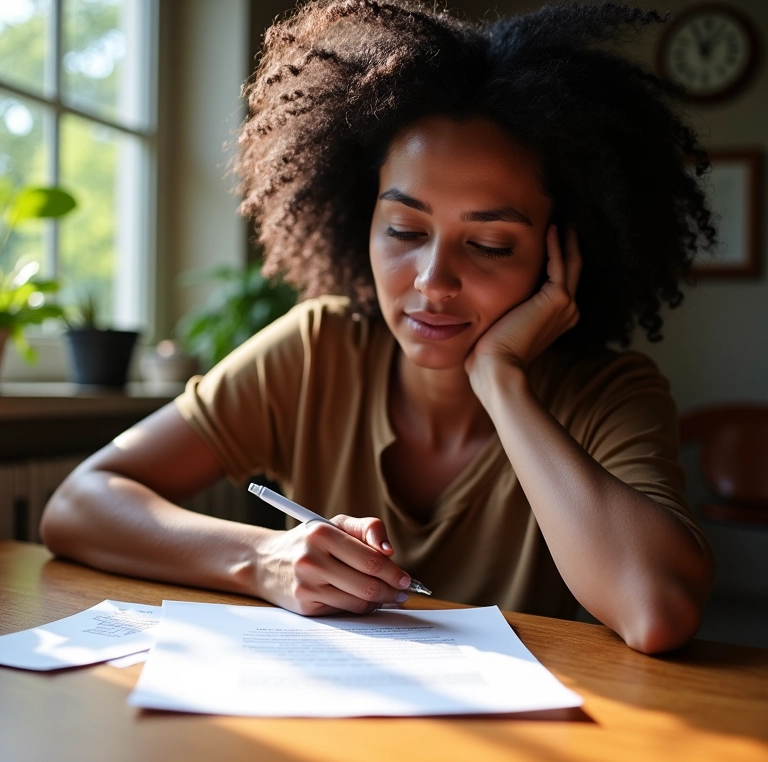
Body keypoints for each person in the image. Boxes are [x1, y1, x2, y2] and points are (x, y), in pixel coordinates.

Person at [41, 0, 717, 654]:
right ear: (359, 220)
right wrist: (264, 558)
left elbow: (655, 610)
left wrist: (502, 383)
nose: (432, 281)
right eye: (404, 230)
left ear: (561, 252)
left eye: (490, 245)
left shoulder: (609, 394)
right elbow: (79, 504)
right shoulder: (317, 349)